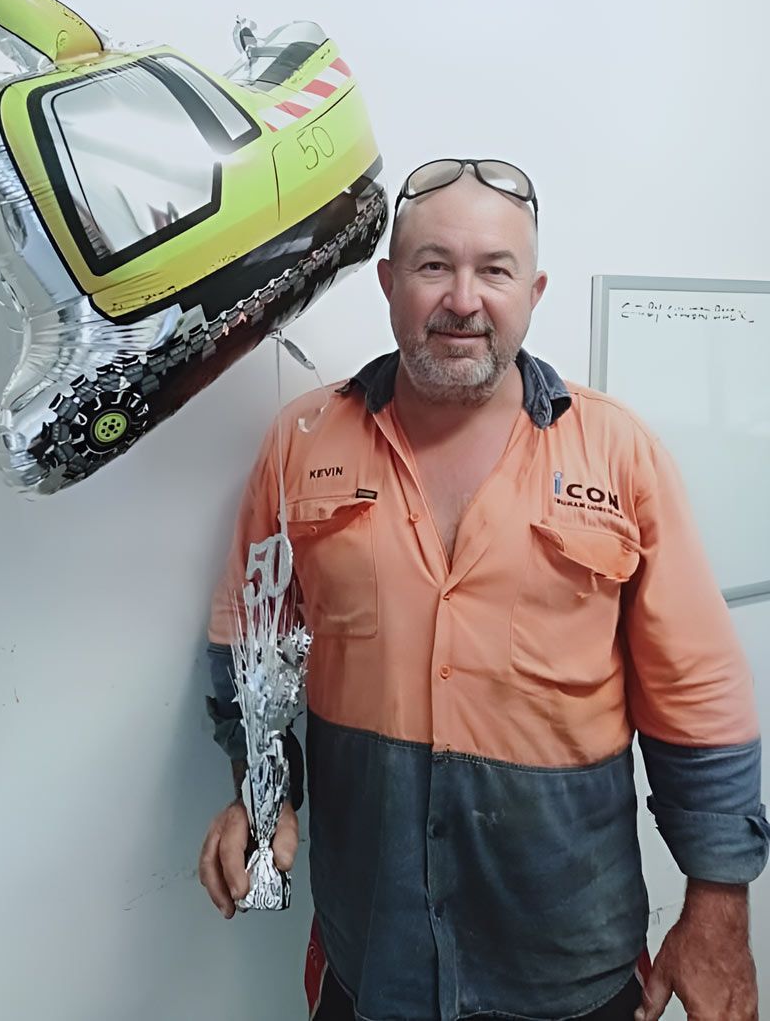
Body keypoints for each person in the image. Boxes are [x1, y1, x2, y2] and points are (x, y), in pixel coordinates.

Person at [199, 158, 767, 1021]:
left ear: (532, 290)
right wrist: (263, 793)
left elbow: (698, 694)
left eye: (494, 270)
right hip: (373, 958)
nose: (463, 299)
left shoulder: (620, 455)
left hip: (568, 964)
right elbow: (254, 641)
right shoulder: (302, 440)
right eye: (433, 266)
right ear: (389, 282)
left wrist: (718, 905)